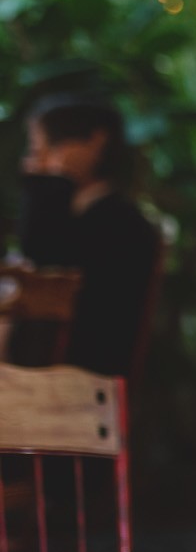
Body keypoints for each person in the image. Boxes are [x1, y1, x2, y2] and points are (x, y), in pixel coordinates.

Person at [8, 96, 160, 377]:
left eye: (44, 149)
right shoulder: (76, 215)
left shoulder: (122, 224)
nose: (35, 164)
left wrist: (51, 181)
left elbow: (41, 255)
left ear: (96, 142)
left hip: (82, 381)